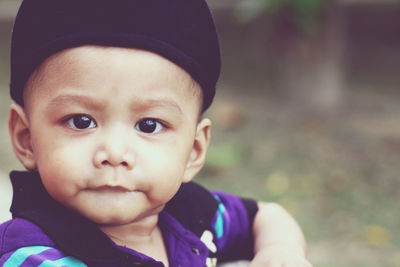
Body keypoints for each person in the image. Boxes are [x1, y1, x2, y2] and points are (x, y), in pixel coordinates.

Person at [0, 0, 312, 266]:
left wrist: (279, 251)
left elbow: (265, 216)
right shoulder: (32, 253)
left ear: (194, 149)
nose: (115, 153)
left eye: (149, 125)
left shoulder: (195, 216)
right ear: (26, 138)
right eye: (81, 121)